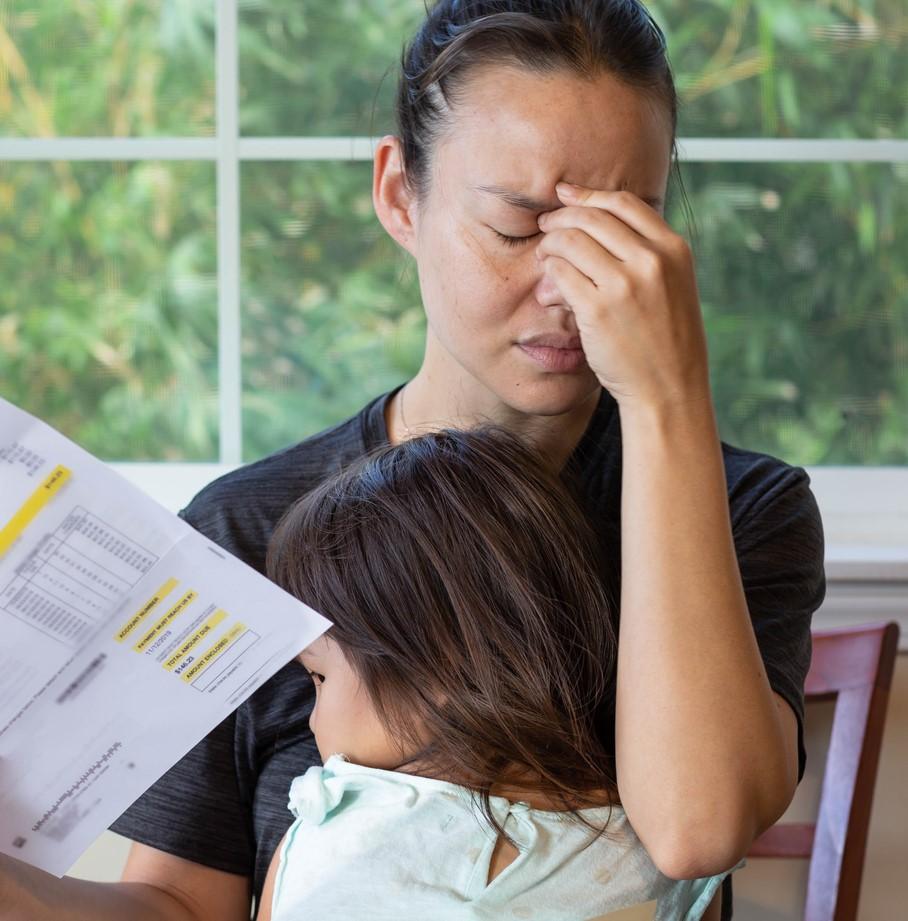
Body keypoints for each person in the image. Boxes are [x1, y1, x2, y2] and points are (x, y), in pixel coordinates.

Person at [0, 2, 824, 920]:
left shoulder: (745, 508)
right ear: (401, 195)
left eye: (620, 238)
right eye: (518, 229)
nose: (567, 291)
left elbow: (698, 831)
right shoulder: (247, 530)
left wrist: (669, 397)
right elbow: (180, 906)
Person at [255, 426, 740, 920]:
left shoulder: (332, 831)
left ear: (434, 667)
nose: (312, 720)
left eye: (319, 677)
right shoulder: (664, 840)